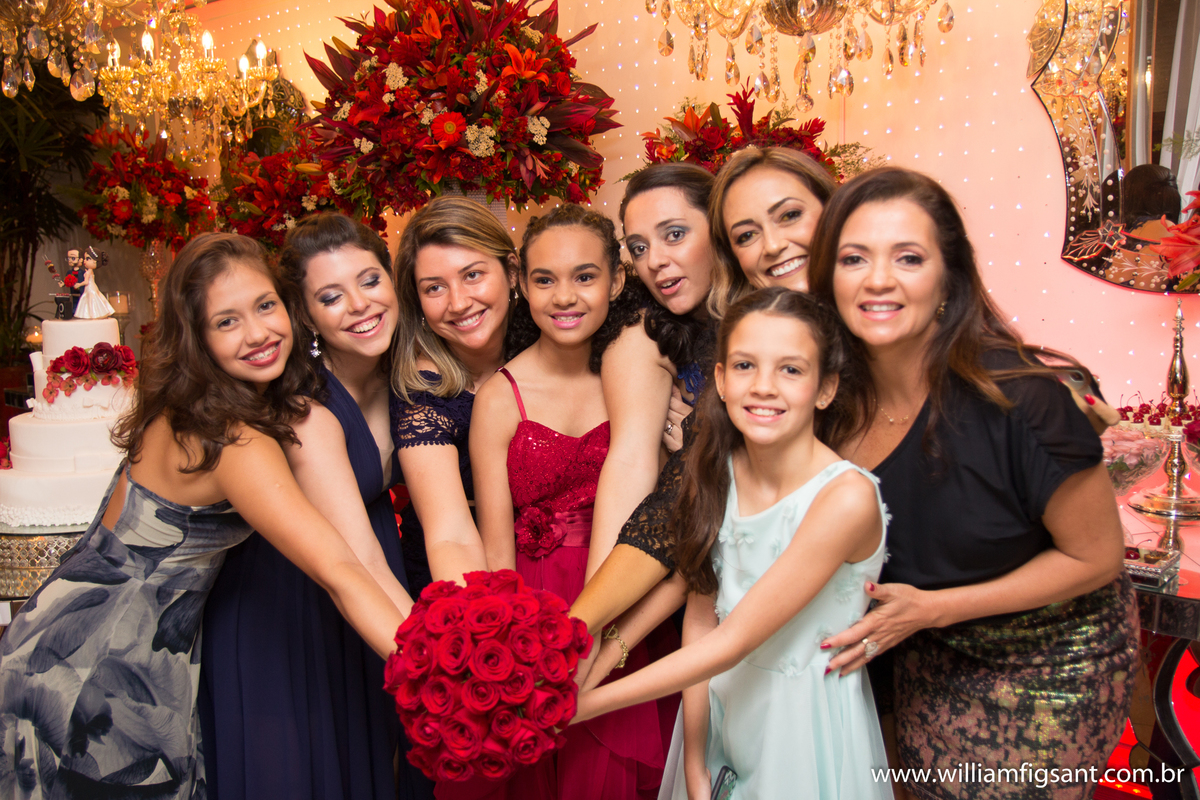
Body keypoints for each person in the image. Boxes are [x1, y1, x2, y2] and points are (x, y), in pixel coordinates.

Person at [0, 233, 409, 798]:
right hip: (98, 662)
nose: (258, 333)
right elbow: (340, 569)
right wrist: (437, 674)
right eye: (226, 322)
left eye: (265, 306)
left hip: (78, 635)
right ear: (196, 337)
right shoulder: (232, 437)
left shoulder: (198, 403)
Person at [810, 168, 1138, 800]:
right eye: (854, 258)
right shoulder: (829, 403)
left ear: (948, 278)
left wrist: (935, 610)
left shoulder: (1022, 400)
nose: (878, 279)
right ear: (828, 277)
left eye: (909, 258)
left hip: (1051, 658)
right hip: (923, 648)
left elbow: (1097, 558)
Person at [574, 287, 891, 800]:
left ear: (826, 388)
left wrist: (582, 706)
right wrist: (695, 755)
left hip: (801, 727)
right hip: (724, 711)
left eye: (791, 370)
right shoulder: (717, 473)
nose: (763, 386)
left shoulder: (845, 498)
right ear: (720, 380)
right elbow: (704, 618)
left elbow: (734, 639)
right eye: (745, 366)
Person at [575, 149, 836, 679]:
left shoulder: (793, 333)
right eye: (639, 247)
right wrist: (590, 637)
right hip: (727, 602)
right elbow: (674, 506)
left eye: (675, 234)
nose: (655, 260)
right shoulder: (662, 338)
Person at [199, 215, 432, 800]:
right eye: (331, 297)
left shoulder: (407, 373)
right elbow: (357, 563)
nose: (359, 305)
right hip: (293, 602)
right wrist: (441, 664)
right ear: (304, 316)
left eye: (369, 280)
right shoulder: (306, 410)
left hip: (370, 586)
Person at [471, 204, 676, 799]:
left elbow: (666, 506)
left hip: (627, 594)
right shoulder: (499, 397)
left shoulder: (640, 376)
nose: (565, 296)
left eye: (585, 276)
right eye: (545, 279)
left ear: (616, 280)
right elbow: (495, 549)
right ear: (520, 282)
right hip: (535, 612)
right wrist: (508, 654)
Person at [390, 197, 512, 596]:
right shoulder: (422, 391)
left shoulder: (548, 342)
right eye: (435, 288)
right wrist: (485, 616)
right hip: (459, 578)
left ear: (512, 271)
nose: (458, 303)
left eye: (472, 275)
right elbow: (450, 534)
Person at [74, 245, 116, 319]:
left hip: (90, 287)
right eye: (84, 258)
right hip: (92, 286)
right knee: (92, 299)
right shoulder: (89, 271)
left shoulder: (88, 272)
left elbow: (86, 282)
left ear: (95, 261)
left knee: (91, 299)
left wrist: (79, 284)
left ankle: (93, 314)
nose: (84, 261)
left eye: (87, 259)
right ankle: (93, 314)